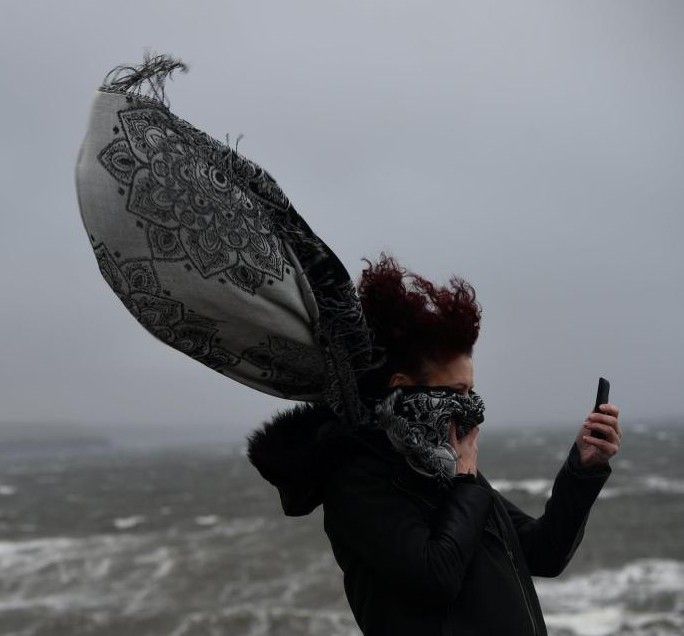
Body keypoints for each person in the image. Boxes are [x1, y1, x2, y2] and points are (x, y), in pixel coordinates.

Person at [246, 252, 621, 635]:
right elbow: (435, 576)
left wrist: (583, 467)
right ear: (402, 388)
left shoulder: (443, 466)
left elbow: (544, 552)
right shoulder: (359, 479)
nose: (470, 405)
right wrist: (465, 483)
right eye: (456, 390)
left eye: (471, 390)